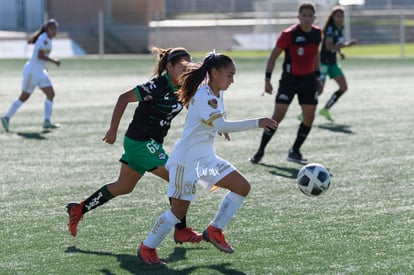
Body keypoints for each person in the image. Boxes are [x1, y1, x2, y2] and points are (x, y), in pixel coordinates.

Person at [137, 51, 277, 265]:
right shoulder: (206, 95)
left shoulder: (216, 90)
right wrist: (257, 122)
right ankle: (147, 247)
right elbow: (219, 122)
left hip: (205, 160)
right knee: (177, 214)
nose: (233, 80)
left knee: (242, 186)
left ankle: (214, 230)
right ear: (214, 72)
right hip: (187, 162)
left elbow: (217, 120)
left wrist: (220, 127)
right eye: (229, 75)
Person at [66, 47, 203, 244]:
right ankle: (181, 230)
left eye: (188, 67)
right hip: (140, 143)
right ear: (169, 66)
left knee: (123, 186)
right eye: (182, 67)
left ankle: (79, 208)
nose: (186, 71)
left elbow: (195, 105)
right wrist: (112, 130)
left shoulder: (183, 87)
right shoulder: (156, 87)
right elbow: (123, 98)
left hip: (147, 144)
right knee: (178, 179)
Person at [250, 2, 322, 164]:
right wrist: (267, 80)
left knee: (309, 118)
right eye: (304, 15)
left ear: (314, 17)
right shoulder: (288, 34)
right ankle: (260, 151)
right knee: (277, 116)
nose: (307, 19)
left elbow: (315, 55)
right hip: (289, 81)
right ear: (298, 17)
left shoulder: (317, 33)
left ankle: (295, 151)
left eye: (310, 15)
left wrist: (318, 77)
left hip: (309, 81)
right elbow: (273, 56)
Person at [1, 19, 61, 132]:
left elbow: (40, 57)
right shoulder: (44, 39)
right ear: (47, 29)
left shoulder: (47, 39)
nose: (54, 31)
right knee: (24, 97)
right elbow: (40, 55)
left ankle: (47, 121)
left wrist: (43, 67)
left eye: (56, 29)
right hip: (32, 72)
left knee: (51, 93)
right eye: (52, 29)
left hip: (39, 72)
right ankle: (6, 117)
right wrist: (54, 61)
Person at [317, 5, 357, 122]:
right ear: (333, 17)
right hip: (324, 63)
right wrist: (347, 45)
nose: (341, 18)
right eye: (338, 16)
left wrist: (340, 52)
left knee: (343, 87)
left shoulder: (339, 28)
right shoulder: (330, 29)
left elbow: (335, 44)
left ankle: (325, 109)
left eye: (342, 16)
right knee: (319, 90)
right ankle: (305, 111)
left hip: (333, 63)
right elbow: (328, 46)